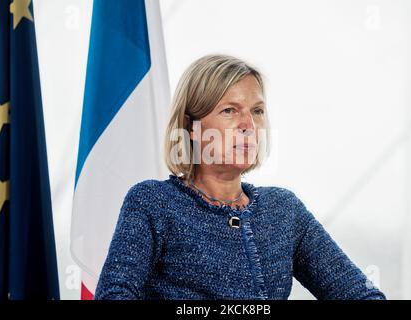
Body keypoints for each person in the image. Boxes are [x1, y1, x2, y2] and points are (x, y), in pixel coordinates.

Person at [94, 54, 386, 300]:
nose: (249, 125)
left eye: (257, 111)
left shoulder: (283, 209)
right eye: (230, 111)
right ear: (191, 126)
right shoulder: (153, 203)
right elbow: (115, 295)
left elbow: (361, 294)